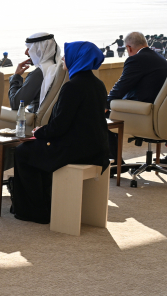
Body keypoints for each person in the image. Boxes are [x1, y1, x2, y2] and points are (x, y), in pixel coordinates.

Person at [10, 42, 110, 222]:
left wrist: (39, 132)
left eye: (67, 55)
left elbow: (59, 126)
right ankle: (44, 202)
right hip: (97, 148)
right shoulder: (98, 84)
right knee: (37, 150)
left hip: (77, 150)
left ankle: (35, 211)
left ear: (77, 58)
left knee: (23, 152)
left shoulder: (72, 87)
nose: (63, 58)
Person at [0, 32, 61, 193]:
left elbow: (17, 103)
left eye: (29, 49)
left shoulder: (39, 73)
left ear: (40, 50)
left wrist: (16, 77)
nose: (26, 53)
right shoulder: (58, 67)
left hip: (32, 123)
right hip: (48, 123)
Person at [105, 32, 167, 160]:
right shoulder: (161, 59)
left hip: (144, 114)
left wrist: (105, 104)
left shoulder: (136, 59)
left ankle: (115, 160)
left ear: (128, 48)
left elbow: (121, 87)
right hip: (161, 115)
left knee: (104, 115)